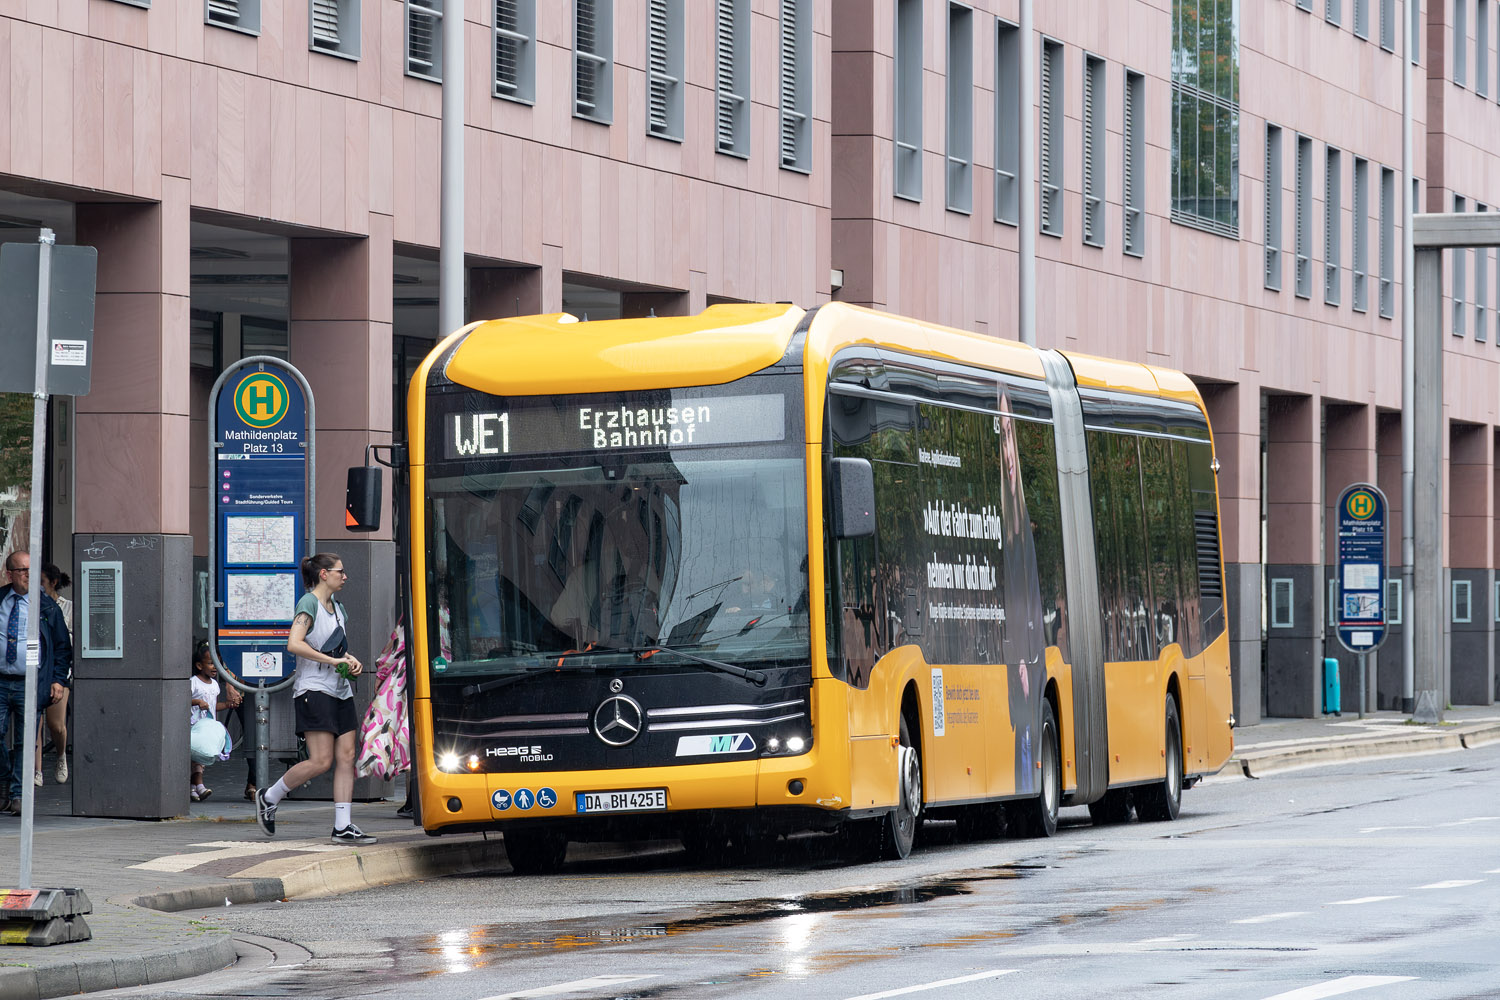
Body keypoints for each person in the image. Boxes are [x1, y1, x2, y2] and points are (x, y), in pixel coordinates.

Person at [254, 553, 375, 845]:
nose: (344, 577)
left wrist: (350, 660)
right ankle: (269, 796)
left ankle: (342, 826)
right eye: (340, 571)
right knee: (321, 760)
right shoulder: (308, 604)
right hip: (314, 689)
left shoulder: (338, 609)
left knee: (346, 757)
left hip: (340, 690)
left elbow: (334, 650)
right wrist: (332, 663)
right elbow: (294, 643)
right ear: (323, 574)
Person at [0, 551, 71, 816]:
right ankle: (5, 781)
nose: (29, 575)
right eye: (22, 570)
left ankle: (17, 794)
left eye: (32, 570)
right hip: (1, 679)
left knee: (25, 740)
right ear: (10, 574)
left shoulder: (45, 606)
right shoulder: (1, 600)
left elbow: (63, 646)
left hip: (31, 683)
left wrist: (58, 680)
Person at [34, 564, 72, 787]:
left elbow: (67, 643)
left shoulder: (66, 608)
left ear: (52, 582)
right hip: (36, 671)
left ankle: (60, 756)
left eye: (41, 581)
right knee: (34, 722)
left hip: (58, 672)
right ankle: (36, 770)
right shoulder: (31, 604)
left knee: (55, 724)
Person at [189, 639, 240, 801]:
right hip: (193, 726)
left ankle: (193, 788)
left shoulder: (215, 685)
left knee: (199, 760)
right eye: (210, 663)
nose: (214, 668)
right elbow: (182, 700)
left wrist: (226, 705)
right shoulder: (193, 683)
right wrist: (197, 702)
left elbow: (213, 707)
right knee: (195, 760)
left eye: (216, 664)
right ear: (199, 666)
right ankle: (200, 787)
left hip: (207, 728)